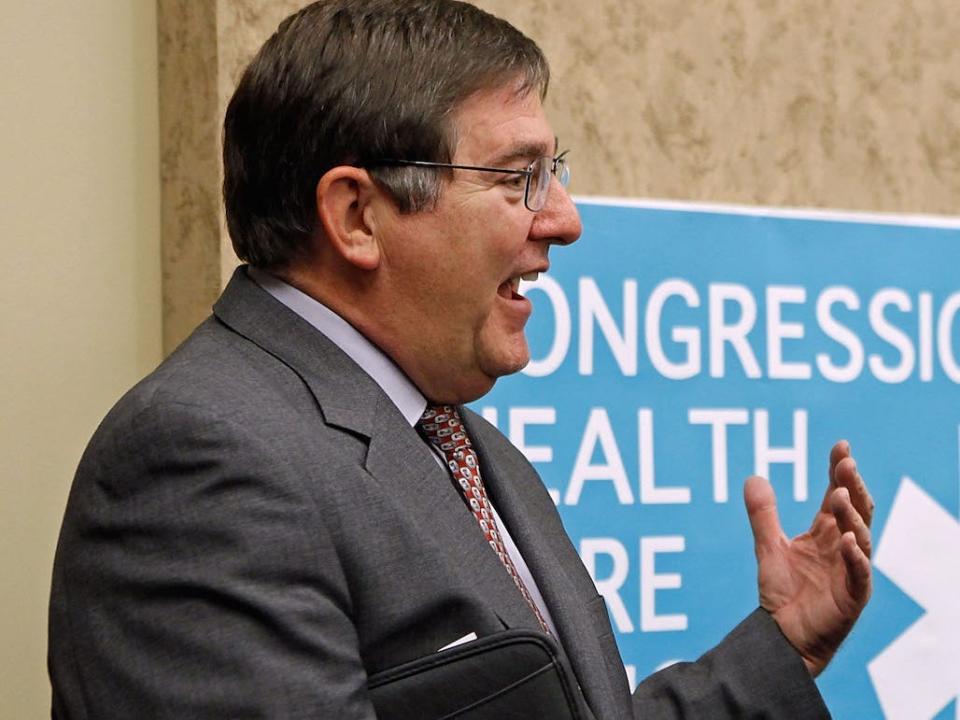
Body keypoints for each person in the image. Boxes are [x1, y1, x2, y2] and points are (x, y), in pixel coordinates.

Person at [49, 1, 874, 718]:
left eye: (553, 174)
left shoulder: (466, 445)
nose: (564, 218)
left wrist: (782, 648)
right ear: (356, 215)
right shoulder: (201, 462)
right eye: (519, 178)